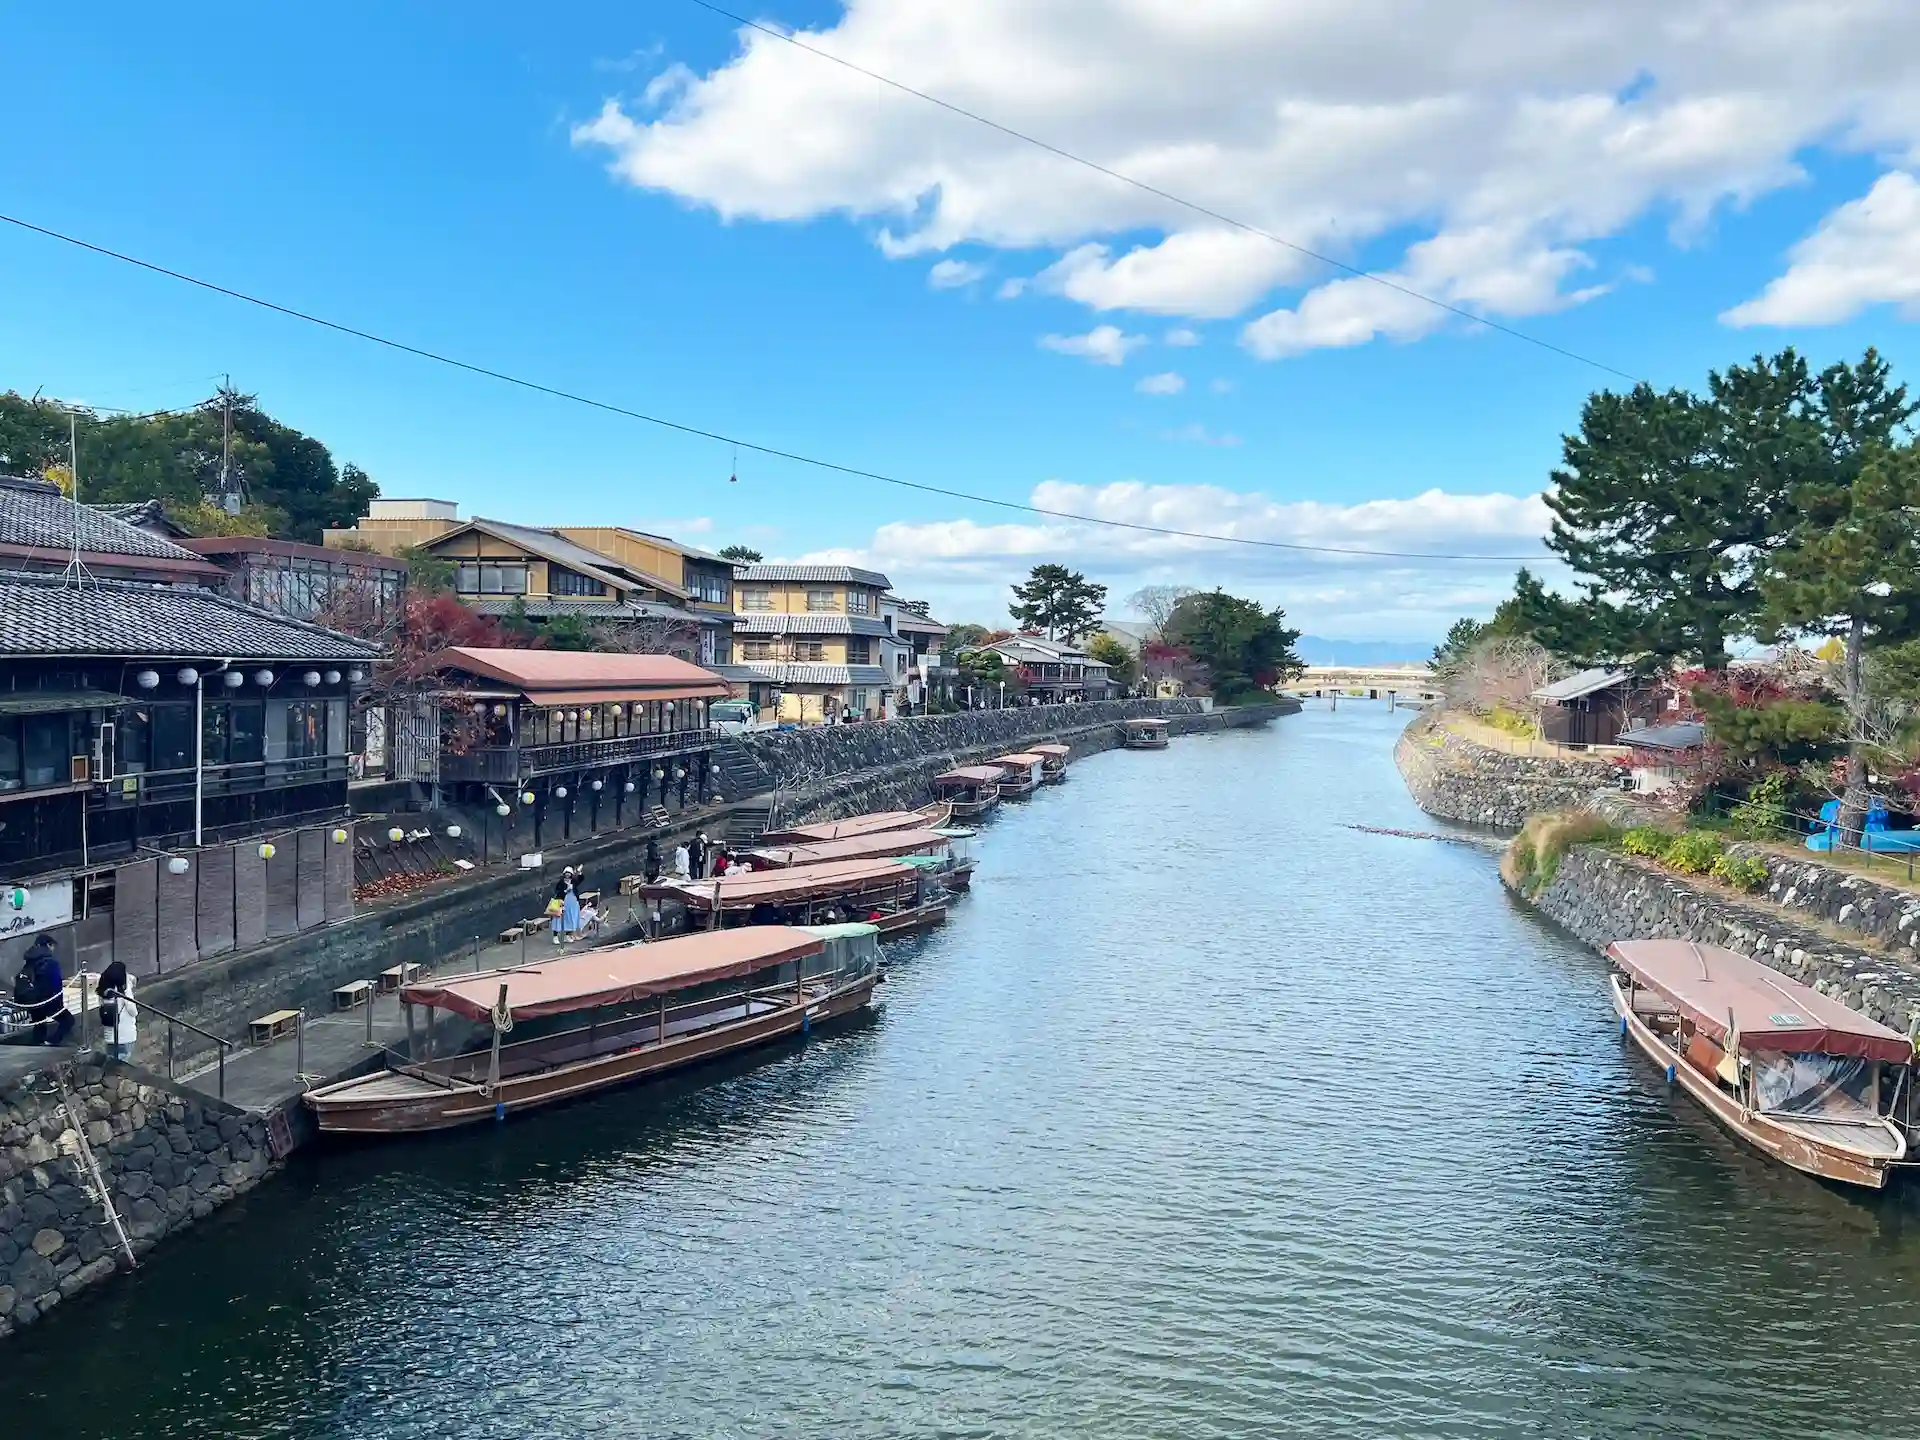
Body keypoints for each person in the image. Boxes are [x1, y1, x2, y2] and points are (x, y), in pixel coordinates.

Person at [17, 936, 72, 1047]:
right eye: (52, 945)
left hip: (32, 1000)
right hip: (47, 1000)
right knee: (68, 1020)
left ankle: (36, 1046)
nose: (53, 949)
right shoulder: (50, 961)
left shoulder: (30, 960)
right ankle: (52, 1041)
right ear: (47, 945)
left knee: (40, 1025)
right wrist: (58, 1005)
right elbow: (54, 984)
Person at [97, 960, 136, 1061]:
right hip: (125, 1036)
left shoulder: (103, 992)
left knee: (112, 1065)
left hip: (109, 1037)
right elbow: (132, 1010)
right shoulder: (123, 991)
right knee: (122, 1067)